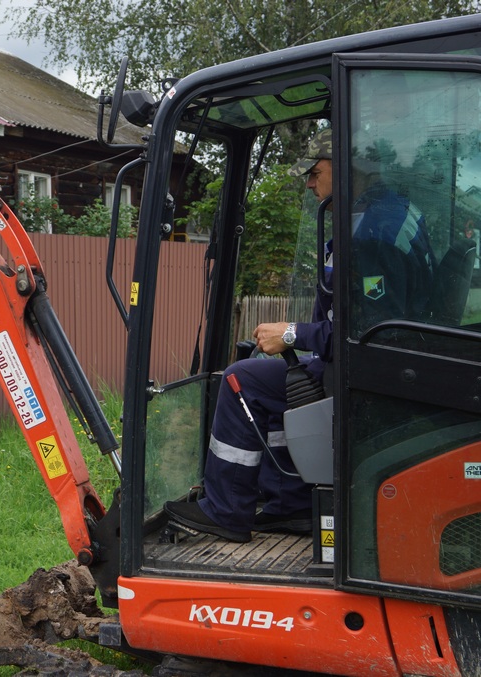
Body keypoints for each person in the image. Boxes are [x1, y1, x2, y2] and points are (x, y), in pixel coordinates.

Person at [164, 127, 433, 543]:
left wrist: (293, 333)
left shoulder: (371, 236)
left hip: (369, 382)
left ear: (347, 167)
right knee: (286, 383)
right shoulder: (392, 213)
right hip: (386, 372)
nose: (308, 182)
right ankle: (291, 506)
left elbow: (373, 338)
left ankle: (224, 510)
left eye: (314, 170)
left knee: (242, 379)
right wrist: (301, 337)